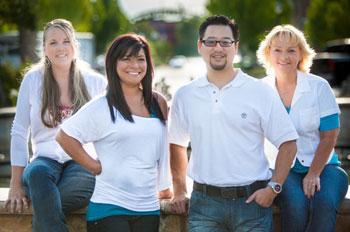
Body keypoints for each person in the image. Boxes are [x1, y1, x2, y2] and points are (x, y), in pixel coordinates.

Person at [169, 15, 299, 232]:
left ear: (235, 47)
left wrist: (273, 188)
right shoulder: (185, 95)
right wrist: (180, 190)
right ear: (200, 46)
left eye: (225, 42)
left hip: (252, 205)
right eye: (211, 41)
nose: (218, 47)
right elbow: (176, 144)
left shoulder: (260, 91)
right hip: (204, 205)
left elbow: (288, 143)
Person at [56, 33, 172, 232]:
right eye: (126, 58)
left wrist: (167, 188)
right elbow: (64, 136)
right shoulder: (102, 106)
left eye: (140, 59)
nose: (134, 65)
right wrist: (94, 166)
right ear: (113, 64)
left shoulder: (158, 102)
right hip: (109, 209)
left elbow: (163, 148)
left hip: (148, 208)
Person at [5, 19, 107, 232]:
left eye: (65, 41)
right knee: (36, 174)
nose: (60, 48)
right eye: (53, 42)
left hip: (80, 160)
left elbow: (110, 130)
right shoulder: (33, 80)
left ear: (74, 46)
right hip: (44, 159)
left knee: (45, 201)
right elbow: (19, 131)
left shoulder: (96, 82)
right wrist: (15, 185)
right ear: (44, 48)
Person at [257, 24, 349, 232]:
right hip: (281, 169)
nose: (284, 56)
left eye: (291, 50)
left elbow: (329, 136)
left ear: (301, 54)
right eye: (277, 50)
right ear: (268, 54)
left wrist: (314, 173)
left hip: (325, 168)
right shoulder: (259, 90)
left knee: (324, 203)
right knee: (296, 206)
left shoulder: (319, 87)